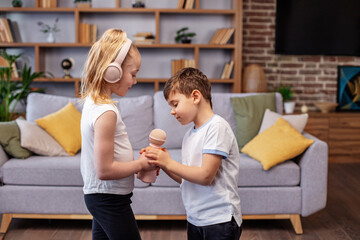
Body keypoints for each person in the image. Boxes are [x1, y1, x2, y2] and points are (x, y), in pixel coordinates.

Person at [145, 67, 242, 240]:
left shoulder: (217, 127)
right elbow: (186, 178)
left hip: (219, 220)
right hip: (196, 218)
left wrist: (168, 162)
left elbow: (205, 176)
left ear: (195, 97)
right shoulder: (190, 135)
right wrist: (162, 162)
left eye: (175, 104)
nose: (172, 111)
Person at [80, 28, 154, 240]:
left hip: (103, 196)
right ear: (113, 71)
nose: (135, 81)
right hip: (108, 199)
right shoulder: (106, 112)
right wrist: (140, 164)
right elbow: (104, 170)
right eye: (133, 74)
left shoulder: (94, 103)